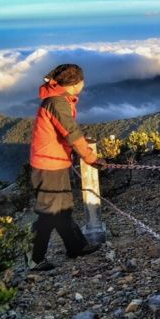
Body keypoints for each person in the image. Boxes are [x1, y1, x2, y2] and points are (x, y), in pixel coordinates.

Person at [27, 64, 106, 271]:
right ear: (75, 83)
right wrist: (90, 157)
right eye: (82, 80)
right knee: (48, 213)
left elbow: (65, 132)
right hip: (49, 164)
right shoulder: (57, 102)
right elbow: (70, 131)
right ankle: (34, 259)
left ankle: (76, 247)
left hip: (53, 161)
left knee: (62, 209)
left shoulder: (57, 99)